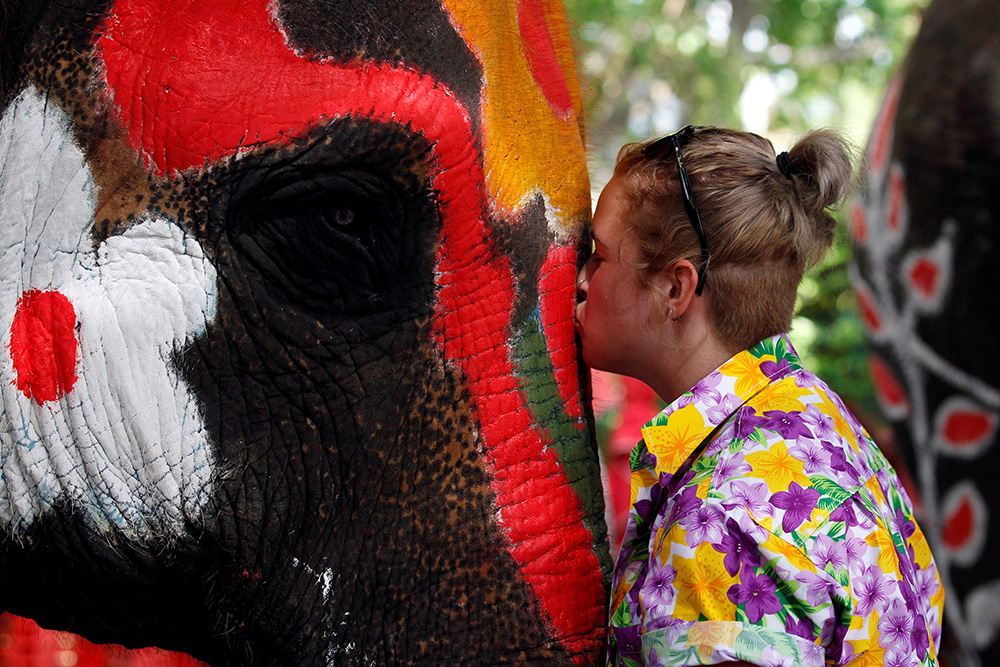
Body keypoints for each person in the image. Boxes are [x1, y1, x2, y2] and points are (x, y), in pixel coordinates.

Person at [575, 126, 944, 667]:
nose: (580, 280)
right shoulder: (822, 424)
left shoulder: (721, 524)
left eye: (598, 257)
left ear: (675, 289)